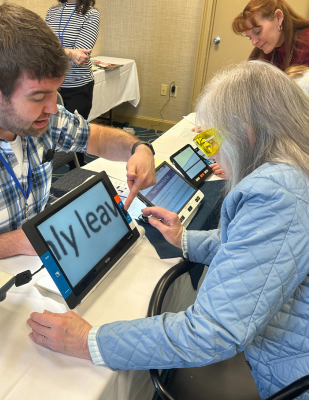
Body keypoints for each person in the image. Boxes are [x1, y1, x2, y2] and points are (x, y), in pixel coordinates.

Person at [27, 61, 309, 399]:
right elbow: (261, 250)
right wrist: (185, 239)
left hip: (285, 375)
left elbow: (210, 333)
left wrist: (89, 341)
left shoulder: (276, 192)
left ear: (247, 132)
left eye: (211, 138)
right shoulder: (293, 171)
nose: (212, 151)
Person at [0, 3, 155, 267]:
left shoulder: (45, 113)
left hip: (43, 267)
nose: (53, 107)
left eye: (54, 92)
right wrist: (19, 242)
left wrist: (139, 150)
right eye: (38, 97)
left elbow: (94, 138)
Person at [46, 0, 100, 167]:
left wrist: (51, 54)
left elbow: (81, 58)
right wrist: (69, 52)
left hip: (78, 86)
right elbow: (40, 48)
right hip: (53, 86)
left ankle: (79, 178)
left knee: (75, 137)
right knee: (51, 135)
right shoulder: (52, 12)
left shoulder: (91, 14)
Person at [232, 0, 309, 71]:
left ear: (279, 18)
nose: (254, 42)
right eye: (250, 38)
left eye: (257, 32)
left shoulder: (306, 44)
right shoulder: (264, 53)